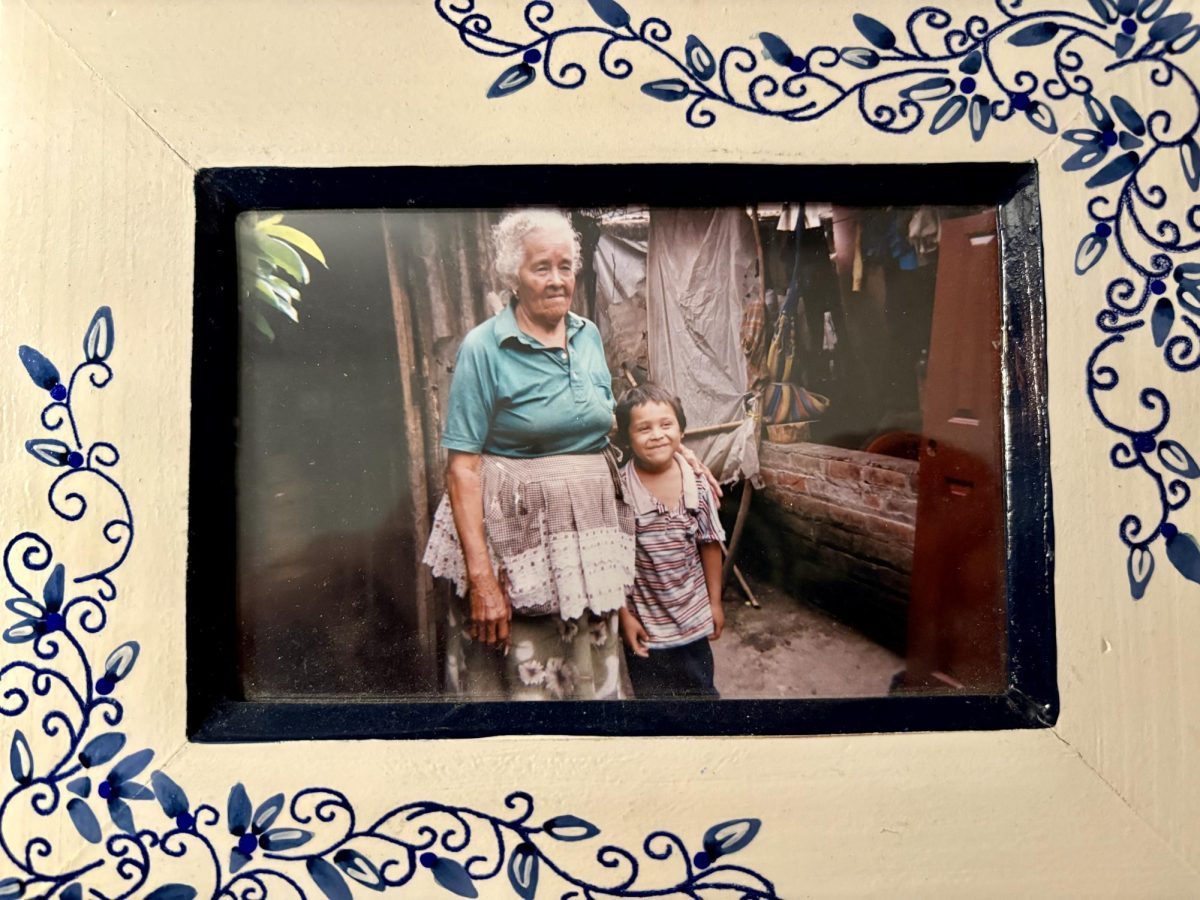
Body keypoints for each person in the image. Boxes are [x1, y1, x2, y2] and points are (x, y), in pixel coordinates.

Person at [422, 208, 636, 700]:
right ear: (512, 277)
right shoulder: (485, 347)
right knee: (517, 678)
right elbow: (463, 468)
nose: (558, 280)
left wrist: (681, 461)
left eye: (566, 266)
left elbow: (603, 430)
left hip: (585, 547)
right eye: (542, 267)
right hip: (514, 547)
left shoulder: (588, 335)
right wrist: (482, 581)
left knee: (585, 674)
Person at [615, 383, 726, 699]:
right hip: (646, 628)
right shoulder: (621, 491)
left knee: (702, 697)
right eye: (644, 428)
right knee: (654, 708)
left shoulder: (698, 485)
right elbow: (612, 560)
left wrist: (714, 604)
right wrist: (624, 617)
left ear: (681, 431)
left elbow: (710, 542)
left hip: (693, 622)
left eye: (666, 425)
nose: (657, 435)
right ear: (626, 437)